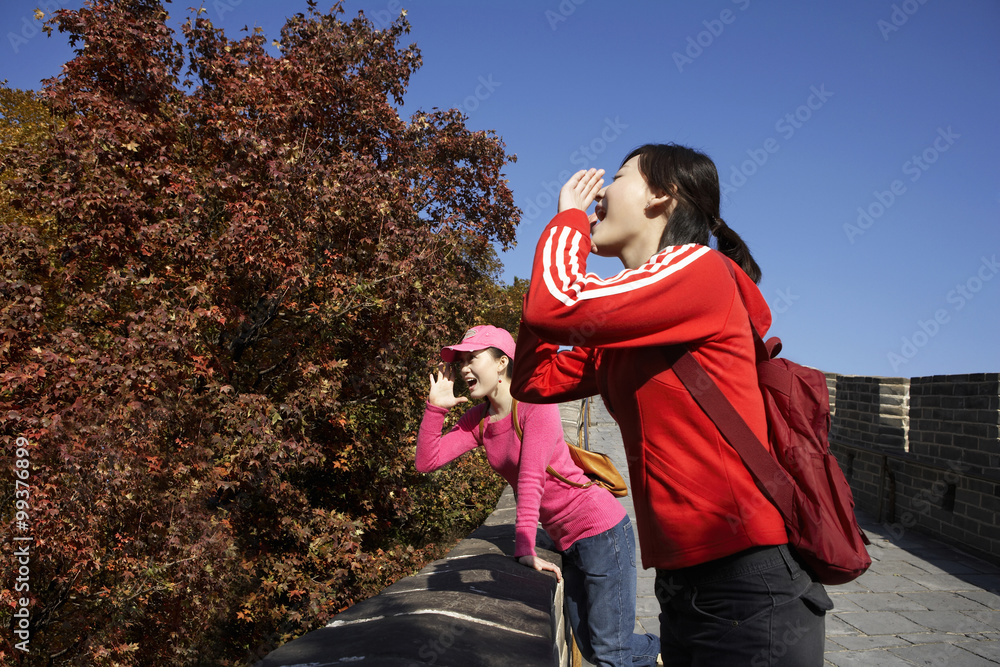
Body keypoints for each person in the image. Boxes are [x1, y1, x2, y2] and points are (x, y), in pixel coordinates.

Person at [510, 144, 833, 666]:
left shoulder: (699, 271)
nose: (600, 195)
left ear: (662, 195)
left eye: (617, 178)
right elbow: (533, 378)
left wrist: (566, 222)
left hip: (747, 583)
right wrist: (541, 302)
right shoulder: (634, 321)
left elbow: (559, 305)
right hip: (686, 587)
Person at [416, 325, 661, 667]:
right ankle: (666, 650)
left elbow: (532, 480)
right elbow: (427, 461)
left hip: (602, 533)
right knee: (591, 647)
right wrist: (435, 408)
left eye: (472, 358)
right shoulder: (479, 420)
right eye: (461, 362)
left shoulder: (534, 405)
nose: (464, 368)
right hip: (566, 542)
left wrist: (525, 549)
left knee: (609, 654)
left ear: (502, 363)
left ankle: (673, 651)